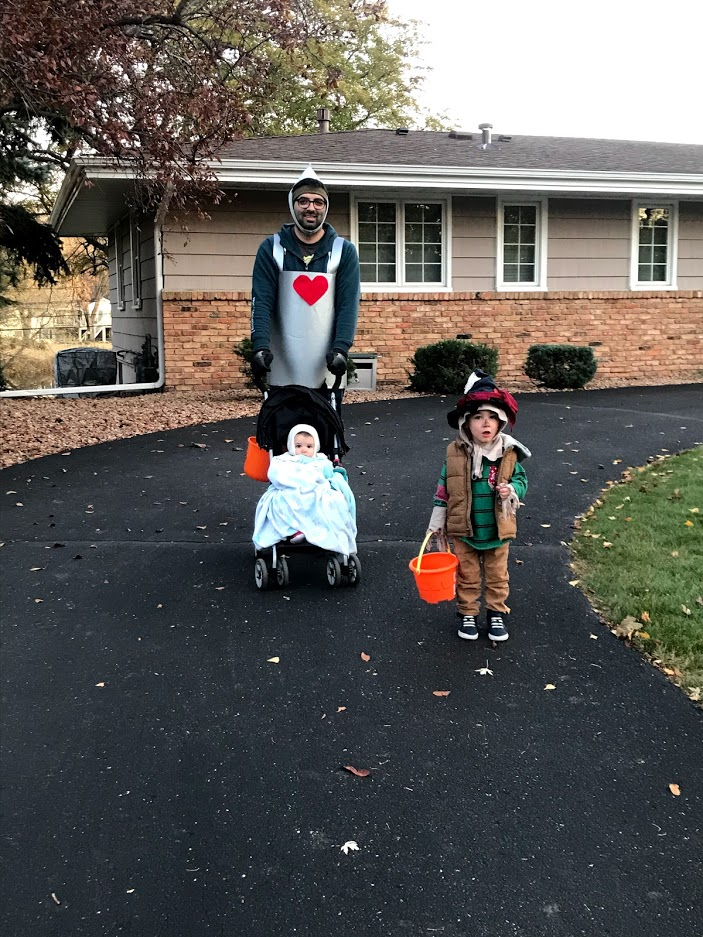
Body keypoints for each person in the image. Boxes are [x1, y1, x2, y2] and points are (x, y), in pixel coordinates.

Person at [426, 370, 530, 642]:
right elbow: (443, 488)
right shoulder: (455, 453)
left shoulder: (508, 453)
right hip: (465, 530)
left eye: (492, 417)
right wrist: (437, 523)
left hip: (497, 530)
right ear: (465, 423)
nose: (485, 423)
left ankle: (496, 612)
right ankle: (468, 613)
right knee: (467, 576)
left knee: (497, 576)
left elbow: (521, 480)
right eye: (478, 417)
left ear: (500, 422)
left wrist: (512, 490)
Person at [250, 164, 360, 392]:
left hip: (327, 368)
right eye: (304, 201)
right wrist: (260, 347)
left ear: (325, 207)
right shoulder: (272, 249)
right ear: (293, 205)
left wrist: (341, 349)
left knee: (327, 416)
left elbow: (348, 305)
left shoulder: (343, 251)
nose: (311, 208)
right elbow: (261, 301)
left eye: (318, 202)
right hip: (281, 368)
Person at [253, 424, 357, 556]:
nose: (303, 450)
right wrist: (297, 481)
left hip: (316, 489)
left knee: (332, 500)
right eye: (298, 446)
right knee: (283, 501)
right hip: (290, 489)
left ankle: (321, 529)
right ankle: (294, 530)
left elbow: (328, 475)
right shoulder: (283, 460)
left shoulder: (321, 460)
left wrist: (333, 479)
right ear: (291, 446)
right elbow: (276, 474)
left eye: (309, 446)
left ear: (315, 447)